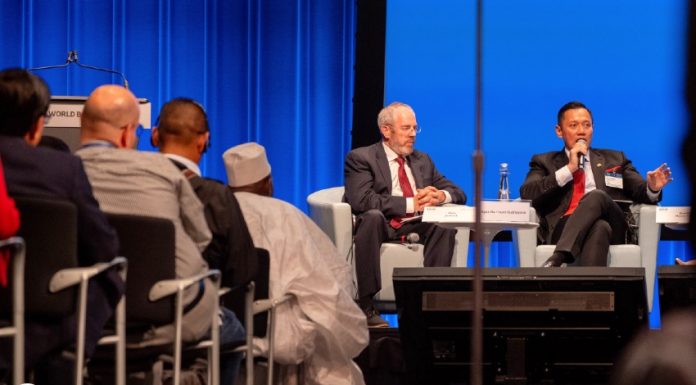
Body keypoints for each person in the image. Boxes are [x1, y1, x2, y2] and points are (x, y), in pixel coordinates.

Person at [75, 85, 244, 384]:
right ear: (128, 134)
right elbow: (200, 238)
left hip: (89, 318)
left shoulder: (65, 173)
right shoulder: (162, 171)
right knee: (232, 330)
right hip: (172, 314)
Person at [0, 69, 124, 384]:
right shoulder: (63, 169)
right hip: (47, 318)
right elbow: (104, 246)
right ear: (38, 124)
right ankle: (69, 355)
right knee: (109, 271)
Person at [224, 142, 369, 385]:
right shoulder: (285, 214)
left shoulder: (213, 213)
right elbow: (324, 279)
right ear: (268, 182)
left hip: (221, 327)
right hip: (274, 327)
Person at [344, 101, 466, 326]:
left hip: (416, 224)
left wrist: (440, 196)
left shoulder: (422, 160)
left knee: (444, 225)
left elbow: (458, 192)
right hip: (382, 224)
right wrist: (412, 203)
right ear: (386, 130)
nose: (412, 135)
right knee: (371, 217)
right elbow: (361, 200)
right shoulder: (361, 158)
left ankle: (430, 304)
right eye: (406, 128)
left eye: (415, 128)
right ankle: (367, 306)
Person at [520, 101, 673, 267]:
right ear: (559, 131)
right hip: (564, 228)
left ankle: (558, 257)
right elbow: (528, 193)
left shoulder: (615, 159)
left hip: (615, 226)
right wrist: (569, 169)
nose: (581, 131)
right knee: (600, 227)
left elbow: (640, 191)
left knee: (597, 196)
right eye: (573, 125)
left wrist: (652, 187)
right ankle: (591, 291)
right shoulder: (544, 162)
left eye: (587, 125)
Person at [150, 97, 258, 297]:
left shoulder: (129, 184)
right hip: (191, 317)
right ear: (203, 140)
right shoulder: (215, 197)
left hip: (122, 315)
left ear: (155, 136)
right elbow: (243, 273)